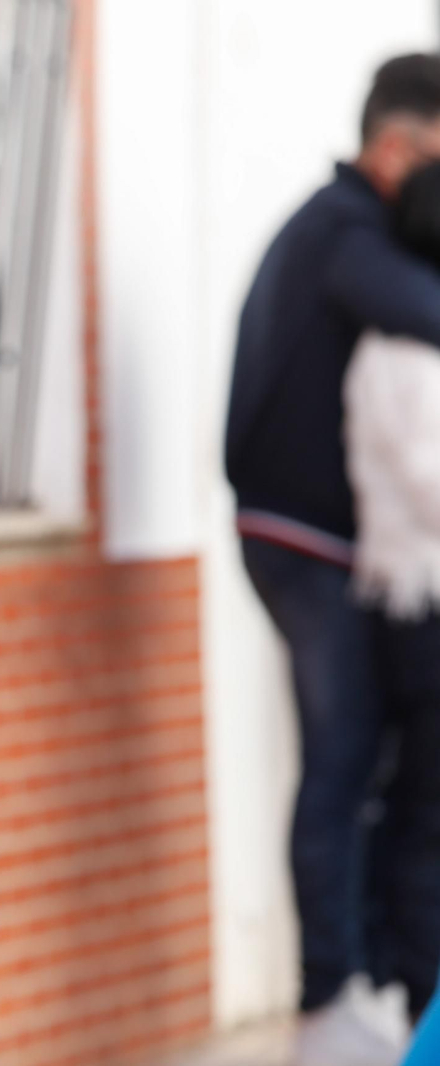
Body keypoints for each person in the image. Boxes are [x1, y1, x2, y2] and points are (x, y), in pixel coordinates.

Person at [227, 53, 440, 1064]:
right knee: (343, 761)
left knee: (368, 766)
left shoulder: (335, 226)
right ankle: (325, 1001)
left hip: (317, 543)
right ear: (401, 145)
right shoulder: (346, 232)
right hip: (304, 540)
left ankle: (368, 988)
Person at [343, 158, 440, 1060]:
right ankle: (421, 995)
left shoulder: (407, 338)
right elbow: (426, 483)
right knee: (425, 818)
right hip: (420, 611)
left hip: (416, 603)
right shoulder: (402, 348)